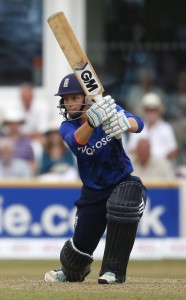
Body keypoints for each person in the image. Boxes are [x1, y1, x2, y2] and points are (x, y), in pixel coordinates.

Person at [44, 73, 147, 285]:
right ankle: (73, 271)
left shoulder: (109, 111)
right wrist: (92, 121)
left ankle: (113, 271)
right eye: (66, 99)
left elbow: (139, 123)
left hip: (121, 181)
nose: (70, 103)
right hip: (93, 192)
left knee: (124, 204)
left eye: (75, 97)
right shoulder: (67, 127)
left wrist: (124, 123)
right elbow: (78, 141)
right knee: (73, 260)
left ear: (86, 97)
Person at [127, 92, 179, 162]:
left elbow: (174, 150)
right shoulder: (136, 126)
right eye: (148, 110)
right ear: (144, 111)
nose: (151, 113)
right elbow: (131, 149)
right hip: (140, 165)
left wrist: (161, 161)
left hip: (161, 165)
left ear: (159, 111)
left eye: (154, 110)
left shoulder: (166, 128)